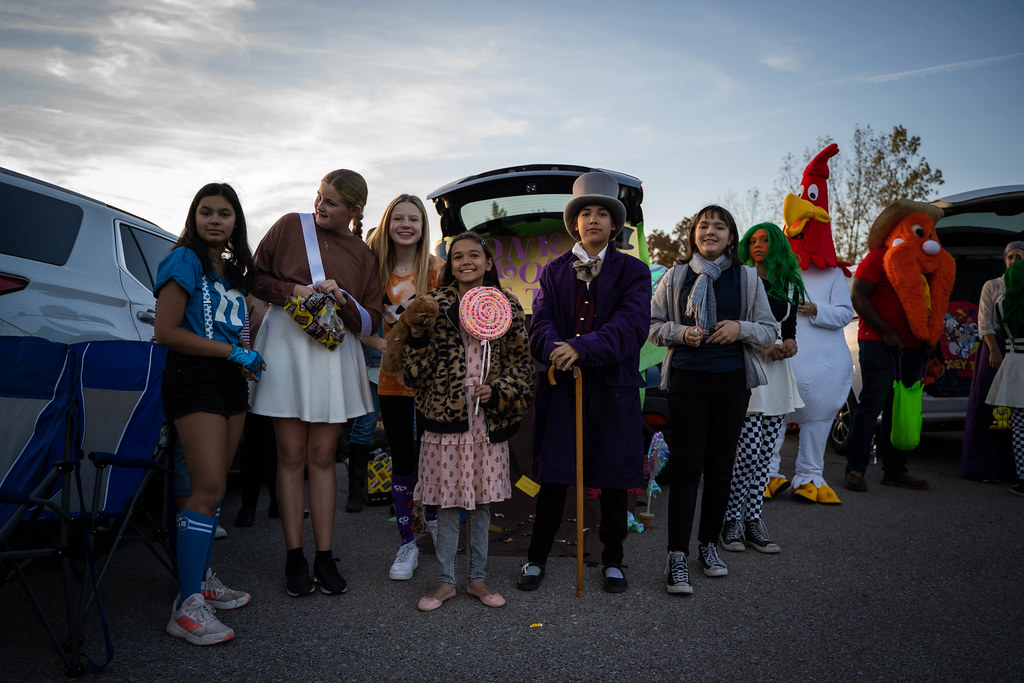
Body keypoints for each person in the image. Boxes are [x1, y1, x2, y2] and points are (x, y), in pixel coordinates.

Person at [249, 169, 383, 597]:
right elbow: (255, 278)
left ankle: (324, 557)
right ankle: (294, 557)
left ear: (355, 211)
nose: (319, 206)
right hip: (287, 342)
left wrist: (343, 299)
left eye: (330, 202)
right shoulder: (290, 225)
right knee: (290, 455)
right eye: (318, 197)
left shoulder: (363, 256)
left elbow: (372, 319)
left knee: (323, 456)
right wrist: (293, 289)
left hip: (331, 349)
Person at [517, 171, 651, 595]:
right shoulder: (553, 272)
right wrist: (556, 347)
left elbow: (632, 326)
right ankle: (535, 559)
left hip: (613, 391)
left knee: (612, 477)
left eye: (602, 214)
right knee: (555, 477)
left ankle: (613, 559)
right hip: (561, 390)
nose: (593, 220)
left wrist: (581, 347)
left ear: (615, 224)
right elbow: (538, 324)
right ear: (575, 222)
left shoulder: (634, 271)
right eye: (585, 213)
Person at [399, 231, 534, 611]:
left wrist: (500, 389)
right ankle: (445, 581)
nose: (466, 262)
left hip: (486, 425)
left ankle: (477, 578)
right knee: (445, 503)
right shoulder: (432, 305)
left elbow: (522, 367)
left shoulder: (506, 306)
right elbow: (414, 374)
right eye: (457, 257)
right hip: (445, 423)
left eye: (475, 255)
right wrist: (418, 334)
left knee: (481, 504)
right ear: (449, 265)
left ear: (489, 263)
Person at [154, 183, 263, 645]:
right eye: (206, 212)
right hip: (193, 378)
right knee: (209, 486)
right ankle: (185, 608)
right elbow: (165, 331)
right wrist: (231, 354)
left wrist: (246, 350)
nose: (215, 220)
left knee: (215, 488)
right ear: (193, 216)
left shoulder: (234, 272)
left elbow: (233, 329)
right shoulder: (184, 259)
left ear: (236, 221)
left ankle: (198, 580)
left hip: (227, 383)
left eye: (224, 213)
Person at [649, 205, 777, 595]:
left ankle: (708, 546)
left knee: (721, 467)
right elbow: (651, 327)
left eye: (719, 226)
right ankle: (676, 557)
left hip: (732, 383)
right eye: (703, 226)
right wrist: (679, 332)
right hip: (687, 381)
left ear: (729, 236)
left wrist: (741, 328)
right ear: (693, 235)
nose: (710, 231)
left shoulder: (747, 278)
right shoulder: (676, 276)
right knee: (687, 468)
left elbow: (771, 331)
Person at [844, 200, 953, 492]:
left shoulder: (927, 265)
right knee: (872, 404)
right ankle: (855, 469)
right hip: (878, 342)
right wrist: (887, 332)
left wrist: (930, 337)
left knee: (901, 406)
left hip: (914, 347)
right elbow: (858, 297)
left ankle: (895, 470)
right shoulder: (878, 257)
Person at [364, 195, 445, 580]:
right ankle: (406, 544)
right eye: (398, 218)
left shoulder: (437, 270)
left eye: (414, 218)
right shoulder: (372, 270)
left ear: (423, 225)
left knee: (433, 461)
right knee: (403, 462)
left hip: (432, 385)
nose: (406, 224)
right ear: (387, 223)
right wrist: (379, 343)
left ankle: (435, 531)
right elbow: (354, 318)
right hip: (392, 383)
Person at [722, 223, 806, 555]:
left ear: (777, 245)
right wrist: (763, 346)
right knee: (748, 454)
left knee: (767, 457)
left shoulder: (789, 283)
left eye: (764, 240)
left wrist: (790, 343)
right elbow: (732, 325)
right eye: (752, 240)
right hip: (749, 370)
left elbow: (790, 328)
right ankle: (730, 521)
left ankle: (753, 520)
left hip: (779, 374)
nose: (757, 245)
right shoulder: (741, 279)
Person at [961, 241, 1024, 481]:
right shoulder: (993, 285)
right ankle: (984, 466)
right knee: (990, 407)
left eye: (1019, 256)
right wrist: (994, 349)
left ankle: (1016, 468)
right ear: (1004, 260)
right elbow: (984, 320)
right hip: (994, 347)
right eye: (1010, 257)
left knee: (1018, 411)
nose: (1014, 262)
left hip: (1020, 349)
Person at [986, 258, 1024, 497]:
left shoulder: (1002, 304)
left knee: (1019, 425)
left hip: (1015, 363)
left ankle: (1023, 477)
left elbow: (991, 326)